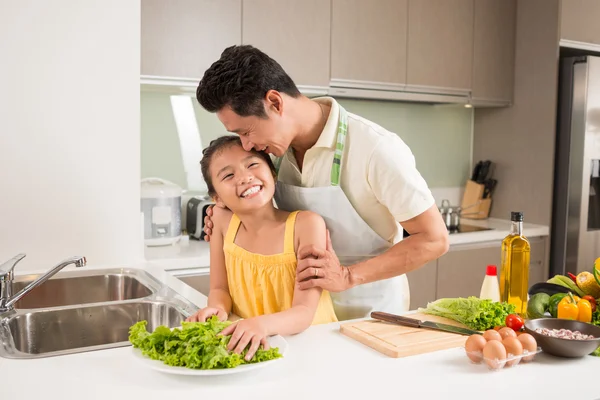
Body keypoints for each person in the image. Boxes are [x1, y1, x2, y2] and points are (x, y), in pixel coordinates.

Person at [197, 45, 449, 321]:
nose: (246, 144)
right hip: (304, 314)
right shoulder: (271, 152)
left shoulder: (376, 148)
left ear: (275, 102)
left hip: (373, 312)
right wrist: (224, 214)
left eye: (246, 131)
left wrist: (347, 276)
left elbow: (434, 239)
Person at [185, 135, 338, 359]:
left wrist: (259, 325)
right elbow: (219, 289)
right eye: (228, 175)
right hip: (252, 348)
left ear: (273, 173)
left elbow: (304, 313)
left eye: (252, 164)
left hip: (310, 347)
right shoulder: (221, 220)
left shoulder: (306, 225)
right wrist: (217, 309)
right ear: (217, 198)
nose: (245, 178)